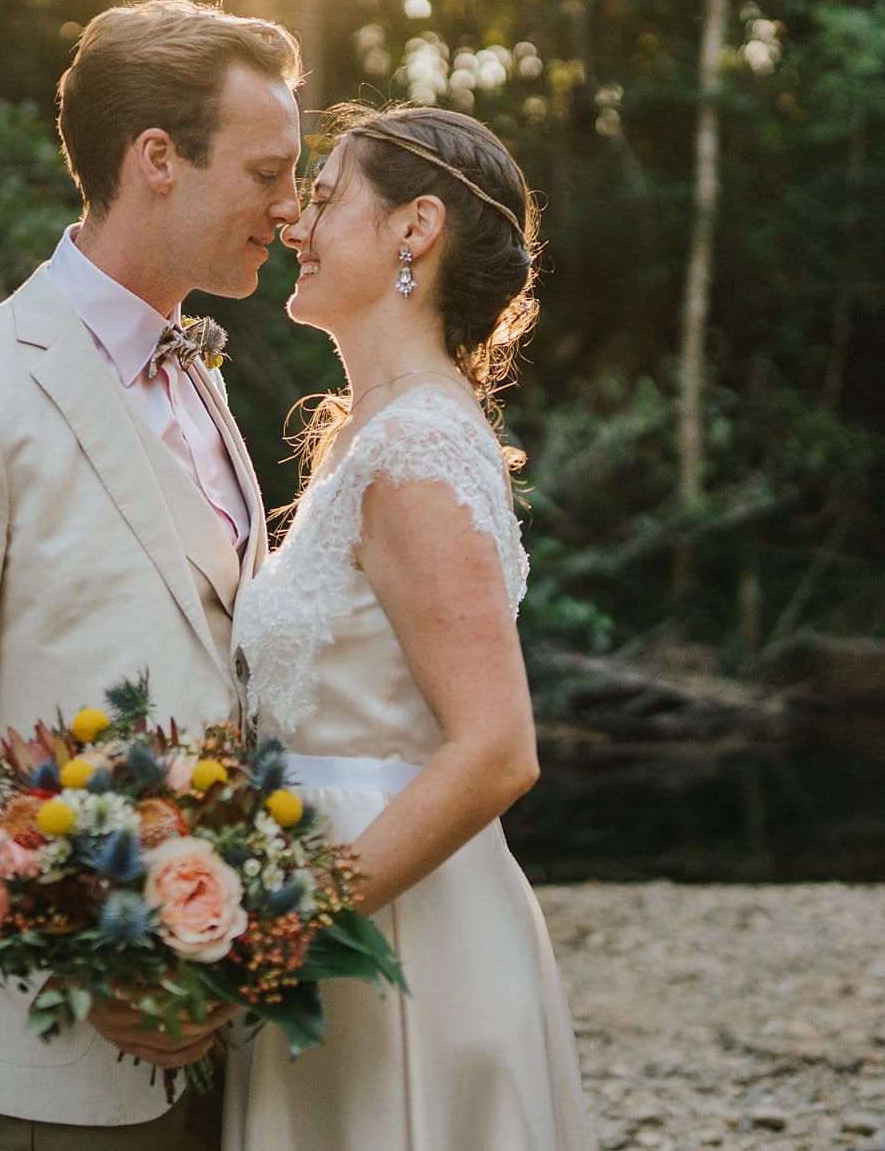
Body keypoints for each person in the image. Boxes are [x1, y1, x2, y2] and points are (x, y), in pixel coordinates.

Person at [0, 0, 304, 1150]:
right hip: (82, 1040)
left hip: (239, 1018)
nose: (292, 208)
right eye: (267, 171)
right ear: (158, 158)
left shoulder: (199, 376)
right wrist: (73, 937)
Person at [224, 104, 595, 1150]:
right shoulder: (370, 437)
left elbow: (494, 751)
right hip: (332, 921)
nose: (293, 218)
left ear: (414, 229)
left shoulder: (419, 449)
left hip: (389, 935)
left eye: (327, 194)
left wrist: (283, 930)